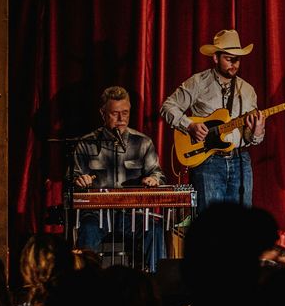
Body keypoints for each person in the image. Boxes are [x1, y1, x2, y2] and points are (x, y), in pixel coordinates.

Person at [161, 29, 266, 211]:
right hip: (208, 162)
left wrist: (257, 133)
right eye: (229, 59)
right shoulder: (198, 82)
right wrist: (190, 125)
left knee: (241, 223)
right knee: (210, 225)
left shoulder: (248, 90)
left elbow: (250, 136)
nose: (234, 64)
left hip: (240, 160)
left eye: (237, 59)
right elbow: (168, 106)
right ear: (216, 58)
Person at [71, 86, 167, 270]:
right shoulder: (86, 143)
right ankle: (83, 285)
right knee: (87, 231)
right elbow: (74, 179)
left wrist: (154, 179)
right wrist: (79, 181)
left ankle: (156, 286)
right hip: (97, 215)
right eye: (115, 113)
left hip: (132, 214)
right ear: (103, 113)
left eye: (125, 113)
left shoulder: (143, 142)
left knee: (154, 231)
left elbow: (158, 173)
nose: (121, 119)